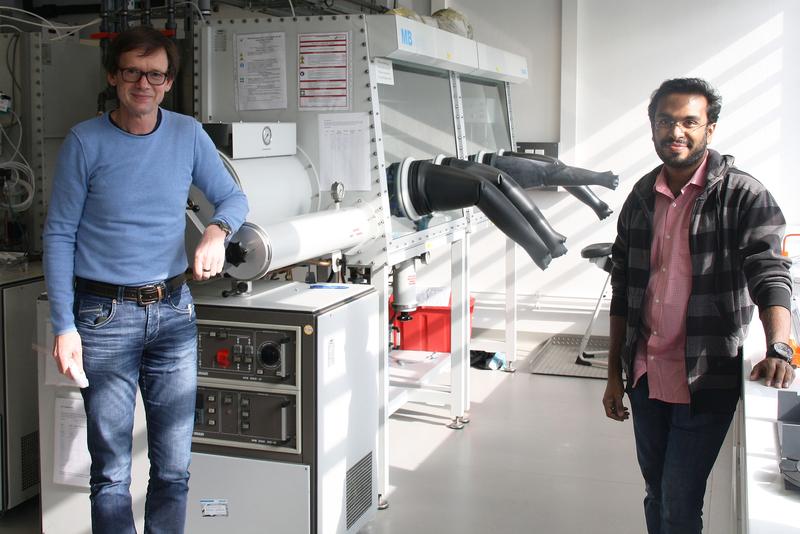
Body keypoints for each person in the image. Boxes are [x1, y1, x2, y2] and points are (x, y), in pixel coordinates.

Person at [43, 26, 248, 533]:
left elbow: (234, 198)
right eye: (132, 71)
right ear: (114, 76)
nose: (143, 83)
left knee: (174, 469)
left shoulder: (186, 133)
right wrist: (64, 326)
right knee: (112, 472)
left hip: (174, 314)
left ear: (168, 82)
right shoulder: (84, 142)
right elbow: (59, 235)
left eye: (155, 74)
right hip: (103, 317)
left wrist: (216, 233)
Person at [602, 77, 794, 534]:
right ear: (652, 128)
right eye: (665, 121)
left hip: (705, 377)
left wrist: (779, 347)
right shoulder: (641, 198)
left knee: (678, 504)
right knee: (656, 492)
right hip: (646, 375)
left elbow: (769, 273)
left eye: (690, 121)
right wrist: (613, 374)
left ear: (710, 128)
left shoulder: (744, 196)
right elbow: (624, 287)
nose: (676, 132)